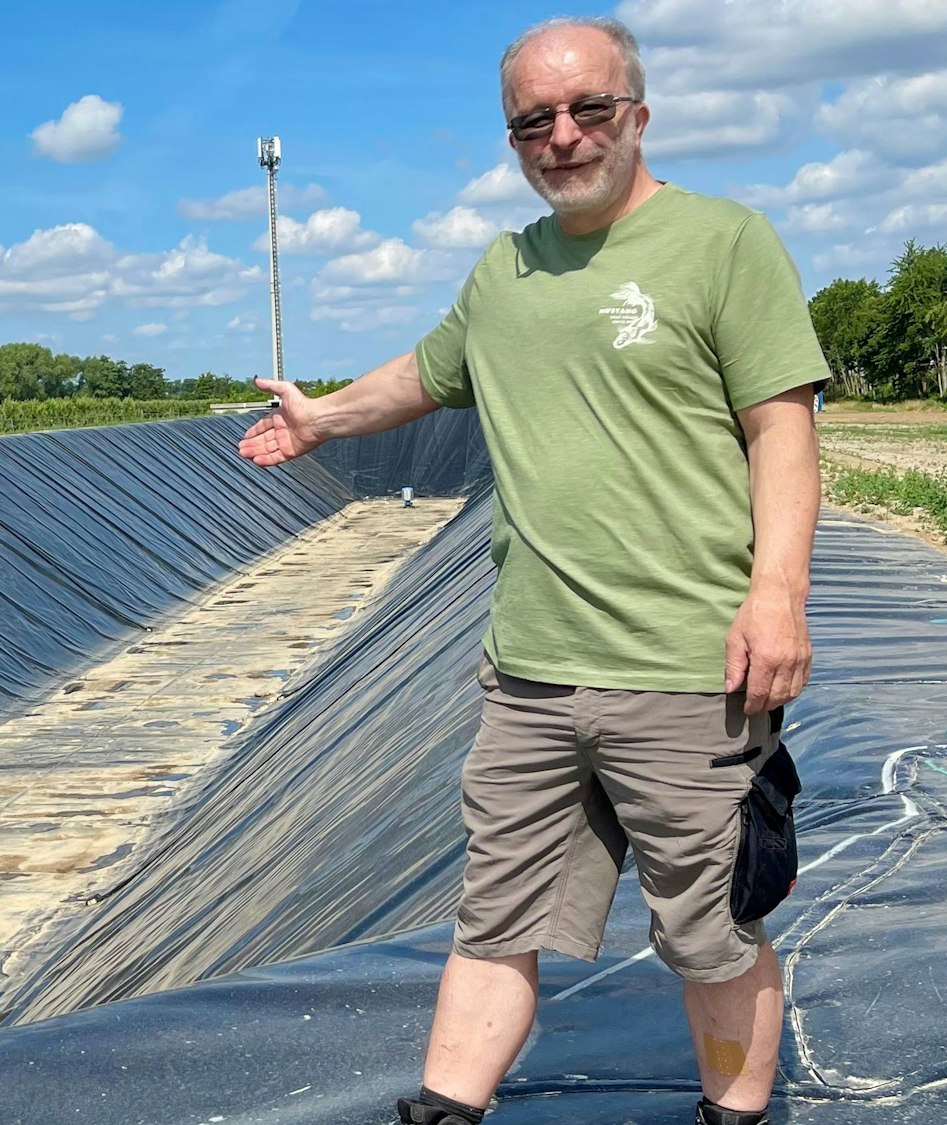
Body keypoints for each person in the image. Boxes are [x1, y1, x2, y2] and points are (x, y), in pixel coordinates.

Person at [237, 17, 827, 1125]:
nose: (560, 136)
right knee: (492, 921)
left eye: (585, 110)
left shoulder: (723, 244)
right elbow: (427, 370)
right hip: (529, 673)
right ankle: (442, 1114)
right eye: (532, 121)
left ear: (635, 115)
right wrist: (322, 421)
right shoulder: (503, 270)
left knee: (710, 934)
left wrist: (775, 595)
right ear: (511, 138)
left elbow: (778, 427)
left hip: (686, 668)